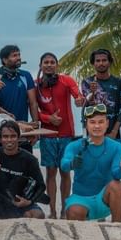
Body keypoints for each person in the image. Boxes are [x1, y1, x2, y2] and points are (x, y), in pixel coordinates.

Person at [61, 104, 121, 222]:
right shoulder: (75, 145)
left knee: (117, 185)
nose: (97, 126)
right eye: (92, 122)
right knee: (74, 211)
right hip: (81, 199)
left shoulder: (116, 147)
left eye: (101, 122)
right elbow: (64, 164)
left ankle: (117, 226)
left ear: (107, 123)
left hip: (103, 199)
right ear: (86, 124)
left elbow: (116, 175)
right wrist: (72, 164)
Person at [35, 52, 83, 219]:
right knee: (50, 172)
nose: (49, 65)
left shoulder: (66, 80)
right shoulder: (36, 85)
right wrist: (49, 118)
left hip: (66, 135)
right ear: (40, 65)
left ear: (57, 65)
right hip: (47, 135)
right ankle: (53, 211)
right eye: (46, 62)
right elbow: (34, 111)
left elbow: (78, 95)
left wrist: (79, 99)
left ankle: (64, 209)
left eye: (52, 62)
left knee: (65, 172)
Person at [0, 120, 48, 219]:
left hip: (21, 203)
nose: (9, 140)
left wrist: (29, 201)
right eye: (5, 136)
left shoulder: (29, 159)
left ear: (18, 138)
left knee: (38, 215)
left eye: (13, 136)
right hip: (0, 203)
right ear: (0, 139)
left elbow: (41, 186)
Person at [0, 45, 39, 152]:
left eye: (19, 55)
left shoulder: (25, 75)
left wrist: (35, 128)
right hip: (2, 130)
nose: (18, 58)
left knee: (26, 163)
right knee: (2, 163)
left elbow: (33, 103)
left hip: (23, 129)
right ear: (5, 60)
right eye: (14, 55)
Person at [81, 49, 121, 138]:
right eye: (97, 61)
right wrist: (92, 92)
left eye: (104, 60)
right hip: (92, 134)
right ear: (93, 63)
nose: (101, 63)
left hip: (113, 134)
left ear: (109, 62)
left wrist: (114, 131)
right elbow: (87, 106)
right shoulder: (87, 82)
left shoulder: (119, 82)